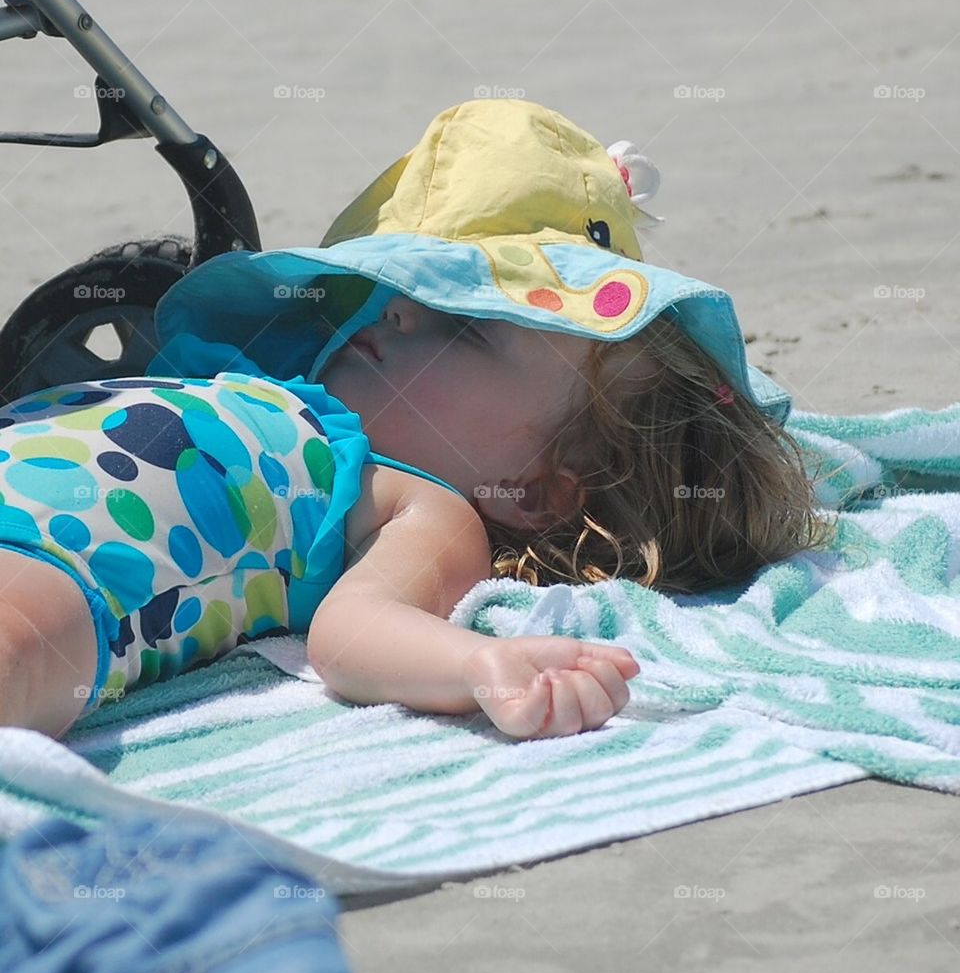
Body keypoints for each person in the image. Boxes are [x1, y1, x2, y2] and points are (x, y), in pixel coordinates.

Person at [0, 100, 834, 742]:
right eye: (396, 294)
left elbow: (353, 635)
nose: (396, 316)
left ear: (535, 493)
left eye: (463, 326)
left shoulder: (417, 506)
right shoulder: (271, 393)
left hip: (70, 557)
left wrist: (479, 665)